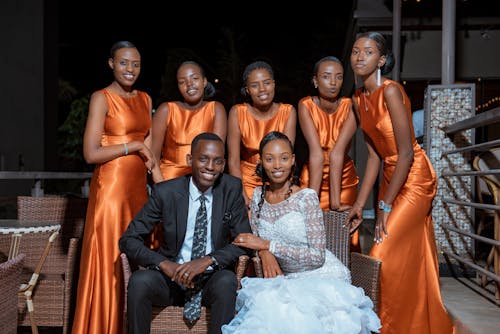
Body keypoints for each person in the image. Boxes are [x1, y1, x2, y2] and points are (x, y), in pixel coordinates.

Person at [348, 31, 455, 333]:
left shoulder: (391, 91)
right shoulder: (358, 99)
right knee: (400, 255)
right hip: (389, 178)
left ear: (381, 60)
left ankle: (389, 326)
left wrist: (384, 205)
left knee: (381, 253)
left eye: (367, 52)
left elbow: (406, 152)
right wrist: (359, 203)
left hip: (414, 177)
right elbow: (373, 157)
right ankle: (412, 323)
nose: (359, 57)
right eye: (355, 51)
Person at [221, 131, 381, 334]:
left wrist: (268, 246)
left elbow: (316, 256)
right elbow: (255, 239)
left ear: (293, 160)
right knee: (269, 310)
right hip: (285, 279)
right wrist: (263, 252)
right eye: (270, 159)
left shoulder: (306, 198)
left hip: (322, 277)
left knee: (295, 315)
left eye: (284, 158)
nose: (277, 165)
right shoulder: (257, 195)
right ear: (261, 162)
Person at [119, 132, 252, 334]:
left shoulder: (231, 189)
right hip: (171, 279)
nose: (210, 167)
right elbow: (128, 240)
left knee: (227, 281)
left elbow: (243, 241)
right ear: (190, 159)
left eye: (217, 161)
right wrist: (165, 265)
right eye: (203, 159)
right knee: (140, 282)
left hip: (210, 280)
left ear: (223, 165)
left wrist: (208, 260)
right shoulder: (166, 192)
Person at [72, 41, 157, 334]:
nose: (130, 69)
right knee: (109, 258)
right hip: (110, 191)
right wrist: (131, 144)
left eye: (136, 64)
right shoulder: (102, 97)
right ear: (111, 63)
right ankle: (104, 326)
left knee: (138, 256)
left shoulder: (145, 99)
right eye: (123, 63)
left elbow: (150, 154)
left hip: (138, 192)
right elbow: (91, 154)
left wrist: (164, 190)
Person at [298, 56, 360, 251]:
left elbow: (337, 153)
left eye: (339, 77)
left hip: (343, 177)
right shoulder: (305, 105)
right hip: (313, 177)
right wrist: (313, 200)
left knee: (345, 239)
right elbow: (316, 153)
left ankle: (347, 277)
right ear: (315, 81)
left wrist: (335, 202)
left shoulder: (351, 105)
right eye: (326, 77)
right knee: (310, 235)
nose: (333, 83)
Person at [227, 60, 297, 209]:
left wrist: (283, 192)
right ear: (247, 90)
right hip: (246, 182)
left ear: (274, 84)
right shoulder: (237, 113)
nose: (262, 89)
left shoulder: (288, 112)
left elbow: (286, 158)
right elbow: (233, 160)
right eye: (254, 85)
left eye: (266, 83)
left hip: (278, 179)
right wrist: (241, 193)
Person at [152, 60, 227, 181]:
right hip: (169, 181)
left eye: (195, 78)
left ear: (204, 82)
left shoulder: (216, 109)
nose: (189, 84)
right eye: (182, 82)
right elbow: (153, 157)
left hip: (205, 180)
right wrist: (162, 189)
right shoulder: (166, 110)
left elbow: (216, 156)